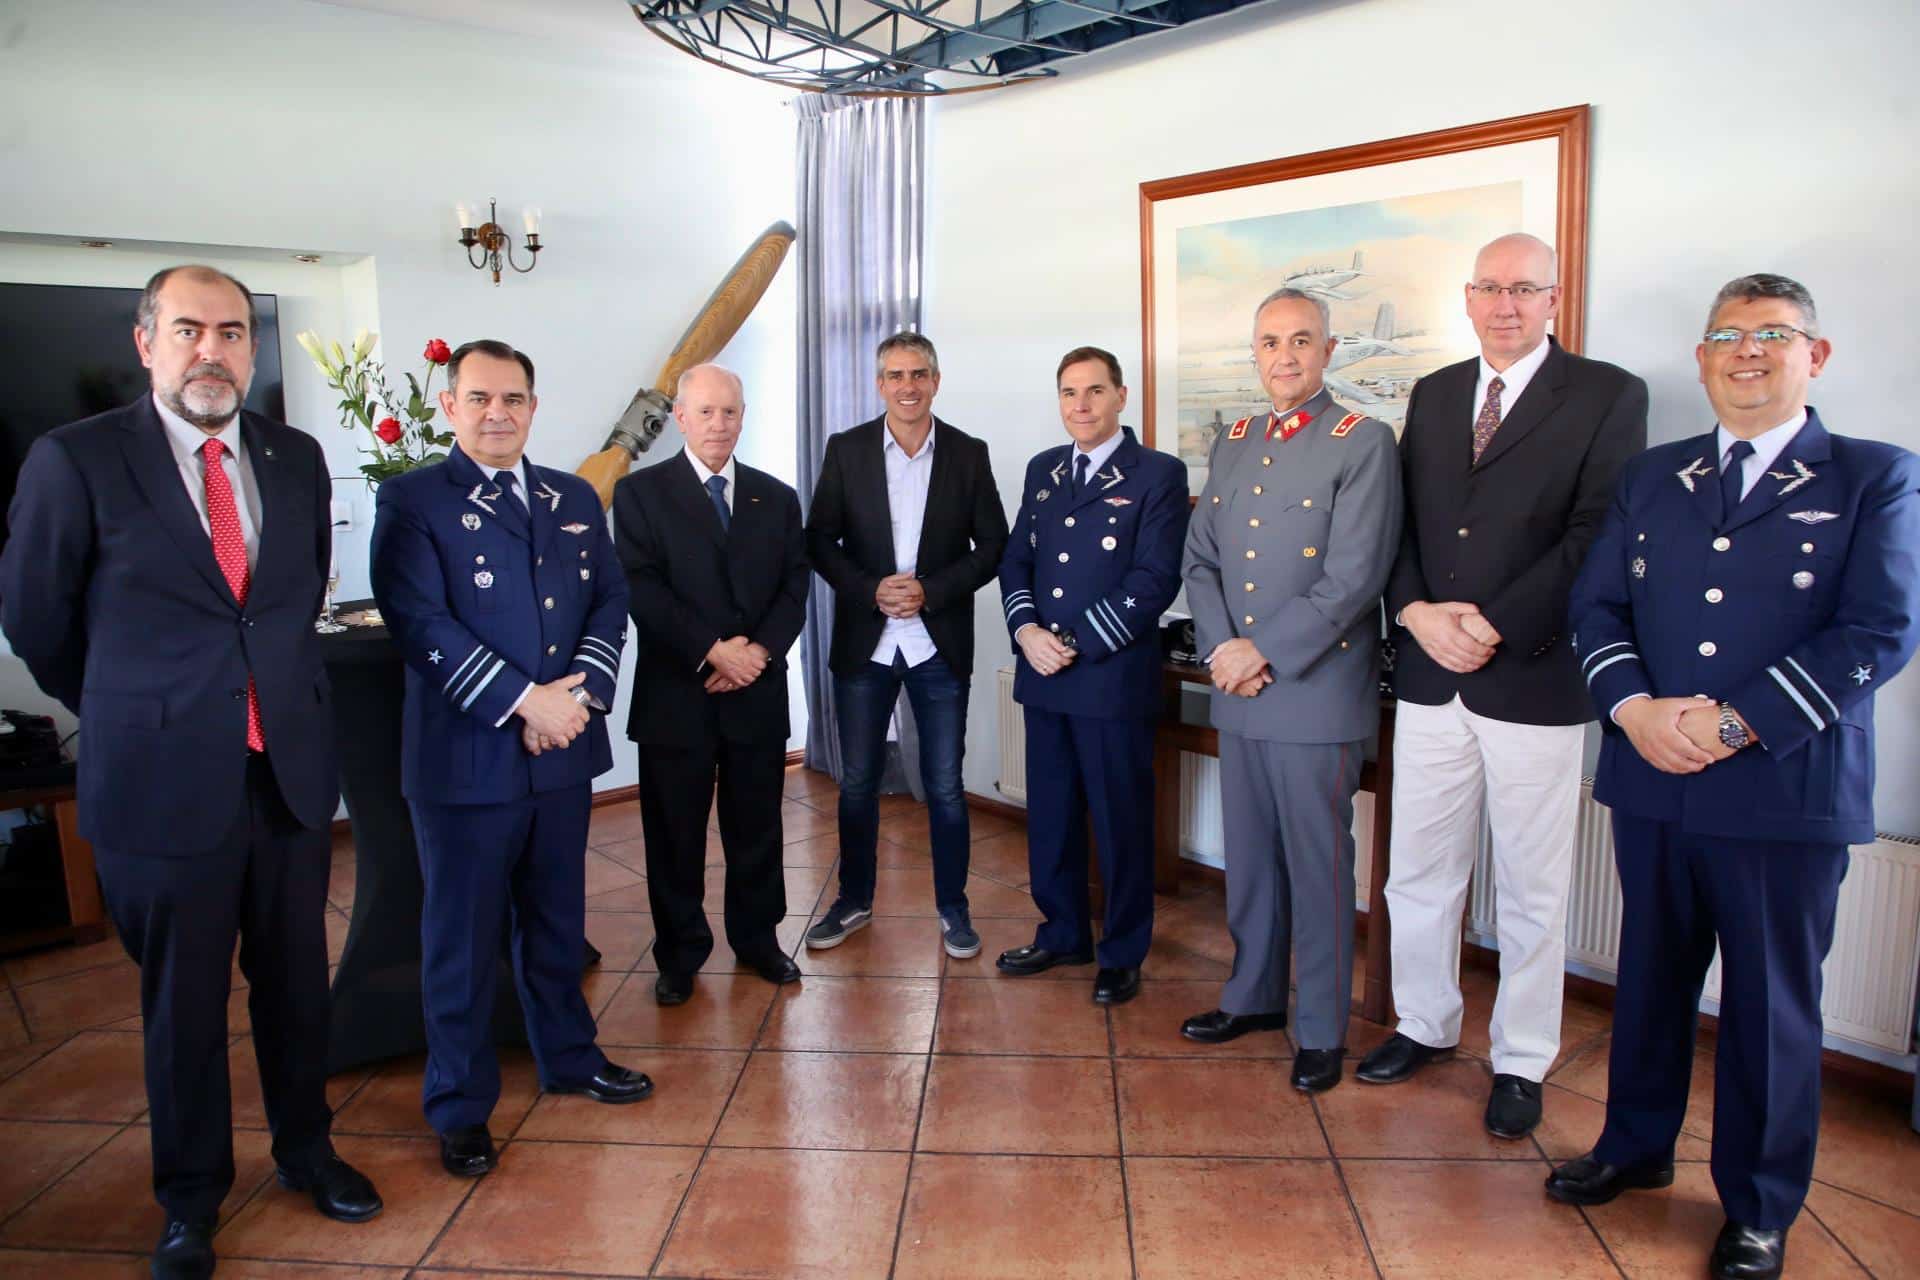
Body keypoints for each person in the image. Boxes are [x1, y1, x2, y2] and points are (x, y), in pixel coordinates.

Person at [0, 265, 381, 1279]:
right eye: (188, 329)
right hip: (161, 785)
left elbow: (290, 601)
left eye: (230, 331)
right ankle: (190, 1200)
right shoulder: (74, 459)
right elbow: (40, 624)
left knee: (298, 987)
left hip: (286, 776)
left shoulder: (295, 456)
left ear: (251, 348)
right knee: (184, 1005)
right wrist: (144, 709)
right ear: (146, 342)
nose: (211, 348)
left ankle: (307, 1151)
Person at [1548, 274, 1920, 1280]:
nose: (1745, 351)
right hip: (1653, 775)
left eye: (1771, 334)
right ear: (1704, 357)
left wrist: (1732, 720)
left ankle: (1759, 1204)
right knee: (1652, 980)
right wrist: (1630, 708)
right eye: (1726, 335)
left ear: (1817, 355)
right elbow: (1597, 610)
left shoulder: (1873, 474)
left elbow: (1880, 629)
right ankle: (1634, 1143)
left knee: (1768, 1006)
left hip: (1782, 788)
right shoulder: (1654, 475)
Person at [1356, 233, 1648, 1136]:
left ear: (1554, 299)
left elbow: (1598, 532)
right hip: (1431, 677)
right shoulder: (1437, 393)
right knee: (1418, 874)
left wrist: (1493, 622)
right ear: (1468, 297)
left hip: (1533, 674)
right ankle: (1426, 1022)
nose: (1505, 304)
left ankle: (1522, 1059)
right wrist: (1413, 613)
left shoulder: (1607, 394)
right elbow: (1396, 526)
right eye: (1489, 287)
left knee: (1530, 889)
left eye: (1524, 288)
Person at [371, 339, 652, 1182]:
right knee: (460, 939)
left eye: (515, 399)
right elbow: (420, 623)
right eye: (481, 398)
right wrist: (527, 703)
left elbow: (610, 598)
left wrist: (578, 700)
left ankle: (570, 1057)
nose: (499, 413)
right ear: (451, 405)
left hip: (560, 757)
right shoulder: (413, 498)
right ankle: (458, 1107)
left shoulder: (571, 495)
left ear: (534, 406)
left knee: (558, 923)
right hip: (467, 763)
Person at [1178, 287, 1401, 1092]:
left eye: (1301, 340)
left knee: (1315, 865)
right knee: (1253, 859)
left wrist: (1260, 650)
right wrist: (1221, 651)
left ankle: (1319, 1028)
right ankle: (1253, 997)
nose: (1285, 356)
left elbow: (1353, 578)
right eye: (1270, 342)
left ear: (1329, 350)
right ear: (1256, 352)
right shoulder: (1235, 440)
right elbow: (1199, 559)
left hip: (1313, 692)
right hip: (1238, 689)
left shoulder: (1363, 441)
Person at [803, 332, 1009, 958]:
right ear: (880, 384)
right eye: (895, 375)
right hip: (867, 642)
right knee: (858, 782)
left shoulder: (968, 454)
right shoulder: (847, 450)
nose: (908, 385)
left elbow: (995, 545)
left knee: (945, 785)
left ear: (936, 381)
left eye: (919, 373)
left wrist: (930, 590)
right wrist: (872, 590)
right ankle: (854, 900)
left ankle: (954, 909)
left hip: (936, 642)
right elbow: (818, 541)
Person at [995, 346, 1188, 1005]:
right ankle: (1062, 932)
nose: (1081, 404)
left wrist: (1070, 642)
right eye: (1070, 392)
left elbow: (1154, 579)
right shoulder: (1043, 469)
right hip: (1044, 674)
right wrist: (1026, 633)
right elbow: (1015, 559)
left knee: (1120, 818)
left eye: (1095, 391)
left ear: (1121, 397)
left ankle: (1123, 950)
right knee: (1050, 813)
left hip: (1108, 676)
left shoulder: (1157, 473)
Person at [613, 363, 810, 1005]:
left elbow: (793, 588)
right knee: (674, 835)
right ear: (680, 418)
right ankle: (679, 954)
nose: (719, 425)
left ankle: (758, 941)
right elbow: (641, 587)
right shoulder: (640, 495)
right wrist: (711, 651)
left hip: (756, 690)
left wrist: (755, 652)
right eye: (705, 412)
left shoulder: (775, 497)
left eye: (730, 412)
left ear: (743, 415)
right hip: (677, 696)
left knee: (756, 829)